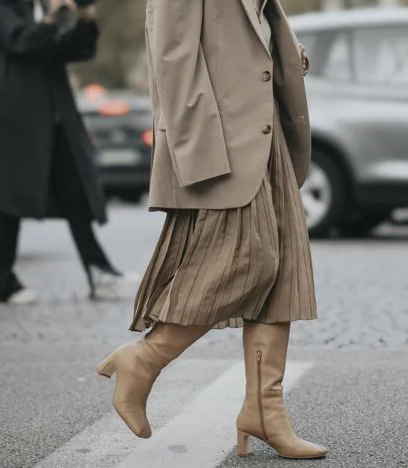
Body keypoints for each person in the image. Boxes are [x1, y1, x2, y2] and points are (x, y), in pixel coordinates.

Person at [95, 0, 327, 460]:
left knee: (283, 271)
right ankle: (142, 360)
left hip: (263, 133)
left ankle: (265, 410)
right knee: (250, 258)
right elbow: (172, 56)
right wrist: (199, 155)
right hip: (221, 141)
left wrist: (281, 52)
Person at [0, 0, 122, 305]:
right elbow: (22, 42)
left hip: (56, 121)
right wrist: (54, 16)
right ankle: (1, 278)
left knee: (75, 197)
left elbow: (77, 51)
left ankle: (98, 270)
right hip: (19, 121)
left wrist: (84, 18)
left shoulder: (45, 8)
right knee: (11, 203)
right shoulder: (4, 8)